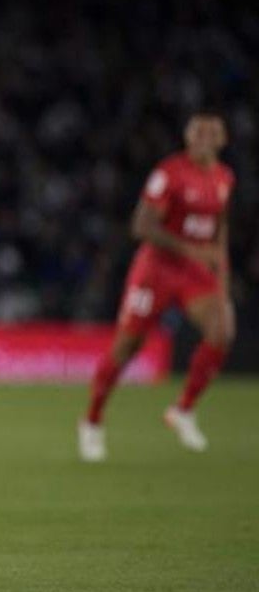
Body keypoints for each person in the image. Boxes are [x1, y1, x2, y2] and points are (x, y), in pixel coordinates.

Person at [79, 113, 235, 462]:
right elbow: (142, 225)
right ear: (187, 137)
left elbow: (219, 229)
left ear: (223, 139)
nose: (203, 138)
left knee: (222, 330)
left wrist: (221, 276)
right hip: (157, 270)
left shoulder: (225, 178)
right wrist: (192, 250)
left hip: (195, 274)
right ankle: (91, 421)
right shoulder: (169, 174)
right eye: (197, 132)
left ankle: (184, 409)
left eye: (211, 132)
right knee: (127, 346)